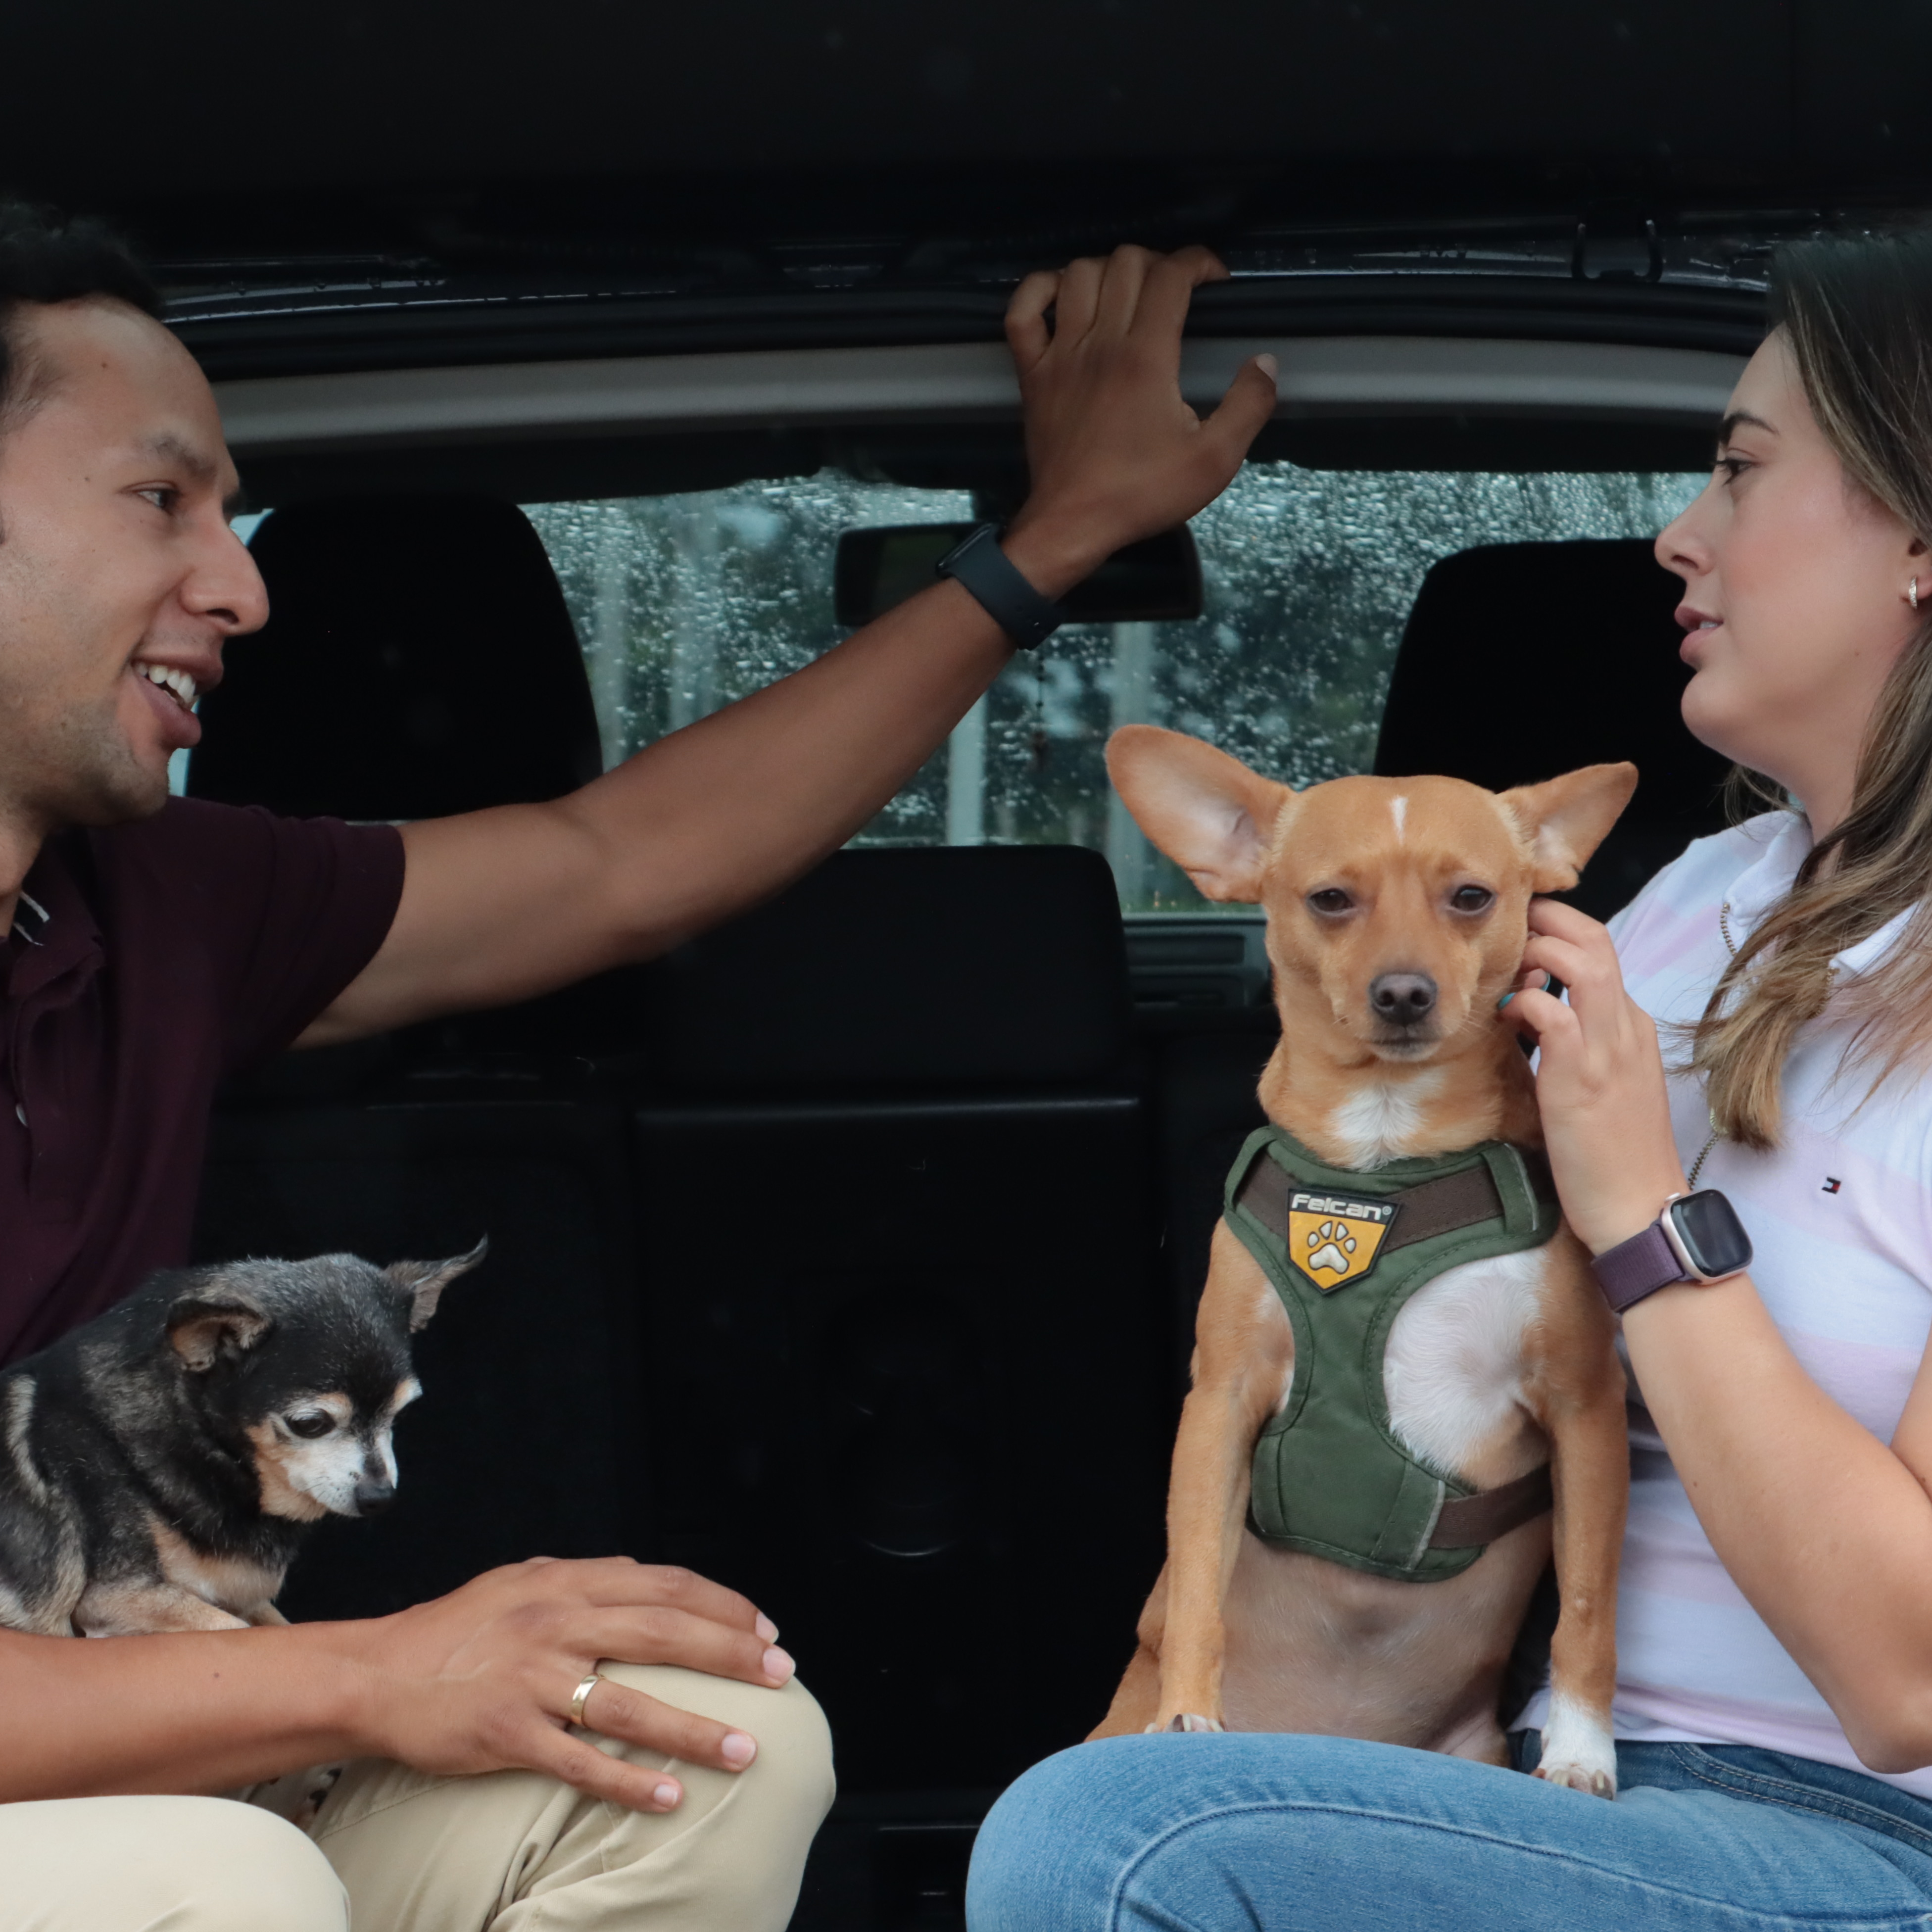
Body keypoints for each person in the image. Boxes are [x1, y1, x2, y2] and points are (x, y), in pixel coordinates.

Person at [0, 203, 1278, 1931]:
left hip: (106, 1736)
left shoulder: (157, 899)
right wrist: (370, 1675)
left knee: (706, 1748)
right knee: (214, 1876)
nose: (244, 585)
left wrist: (1047, 548)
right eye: (164, 500)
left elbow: (620, 865)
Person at [967, 230, 1932, 1931]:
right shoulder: (1698, 906)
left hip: (1852, 1821)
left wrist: (1641, 1212)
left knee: (1110, 1850)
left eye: (1738, 469)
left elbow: (1910, 1678)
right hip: (1545, 1771)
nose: (1678, 534)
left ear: (1921, 536)